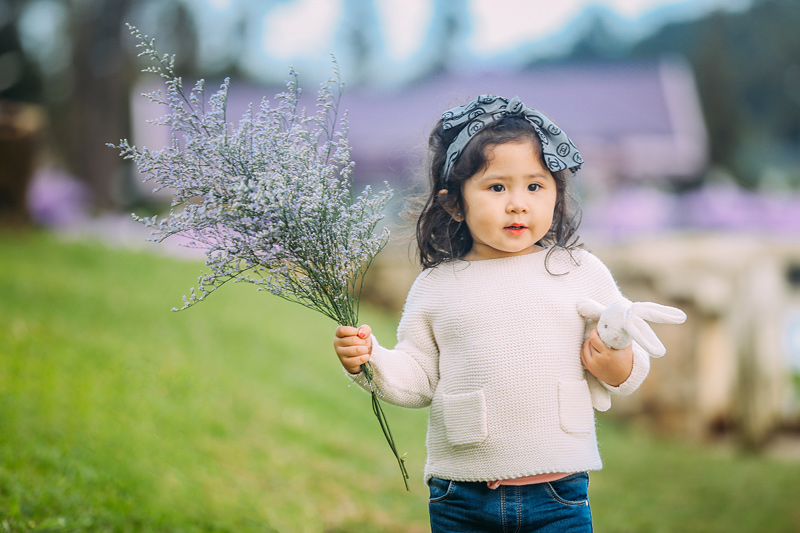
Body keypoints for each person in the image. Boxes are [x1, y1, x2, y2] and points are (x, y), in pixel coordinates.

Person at [333, 94, 651, 532]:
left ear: (556, 194)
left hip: (558, 494)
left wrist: (617, 361)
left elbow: (629, 361)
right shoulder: (437, 285)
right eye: (497, 187)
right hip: (461, 496)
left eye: (535, 186)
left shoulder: (579, 271)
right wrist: (370, 360)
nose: (518, 203)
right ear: (454, 204)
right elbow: (420, 376)